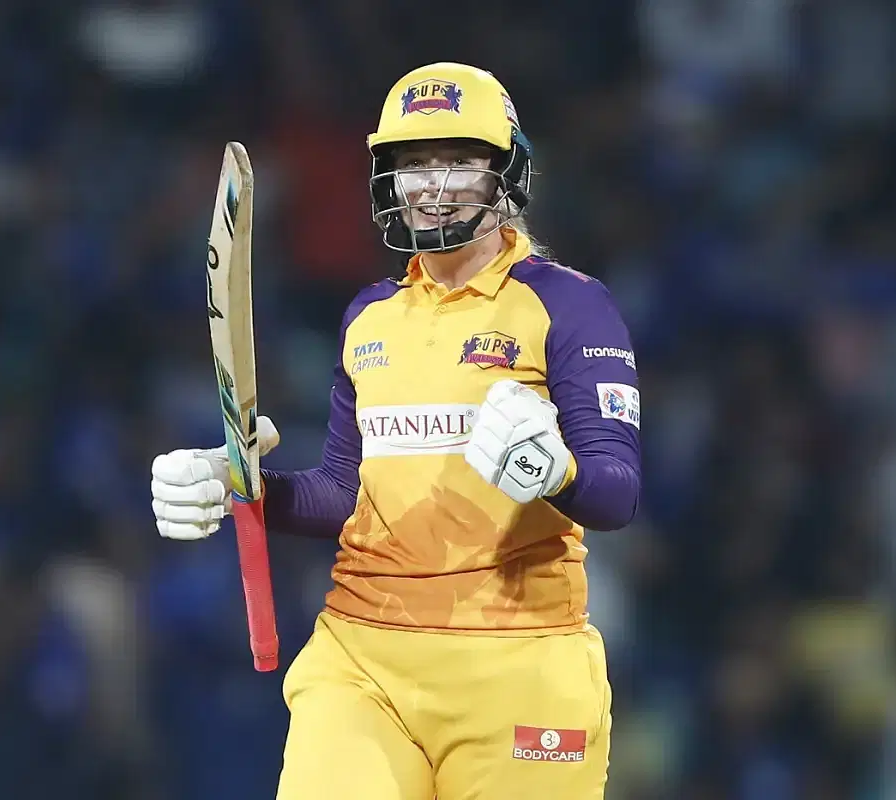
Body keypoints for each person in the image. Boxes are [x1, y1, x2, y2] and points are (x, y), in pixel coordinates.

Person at [150, 62, 642, 800]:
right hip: (364, 660)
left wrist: (557, 472)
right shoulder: (369, 317)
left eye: (458, 161)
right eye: (414, 163)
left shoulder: (569, 306)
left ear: (506, 173)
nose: (433, 185)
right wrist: (237, 485)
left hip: (520, 659)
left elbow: (617, 493)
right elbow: (346, 494)